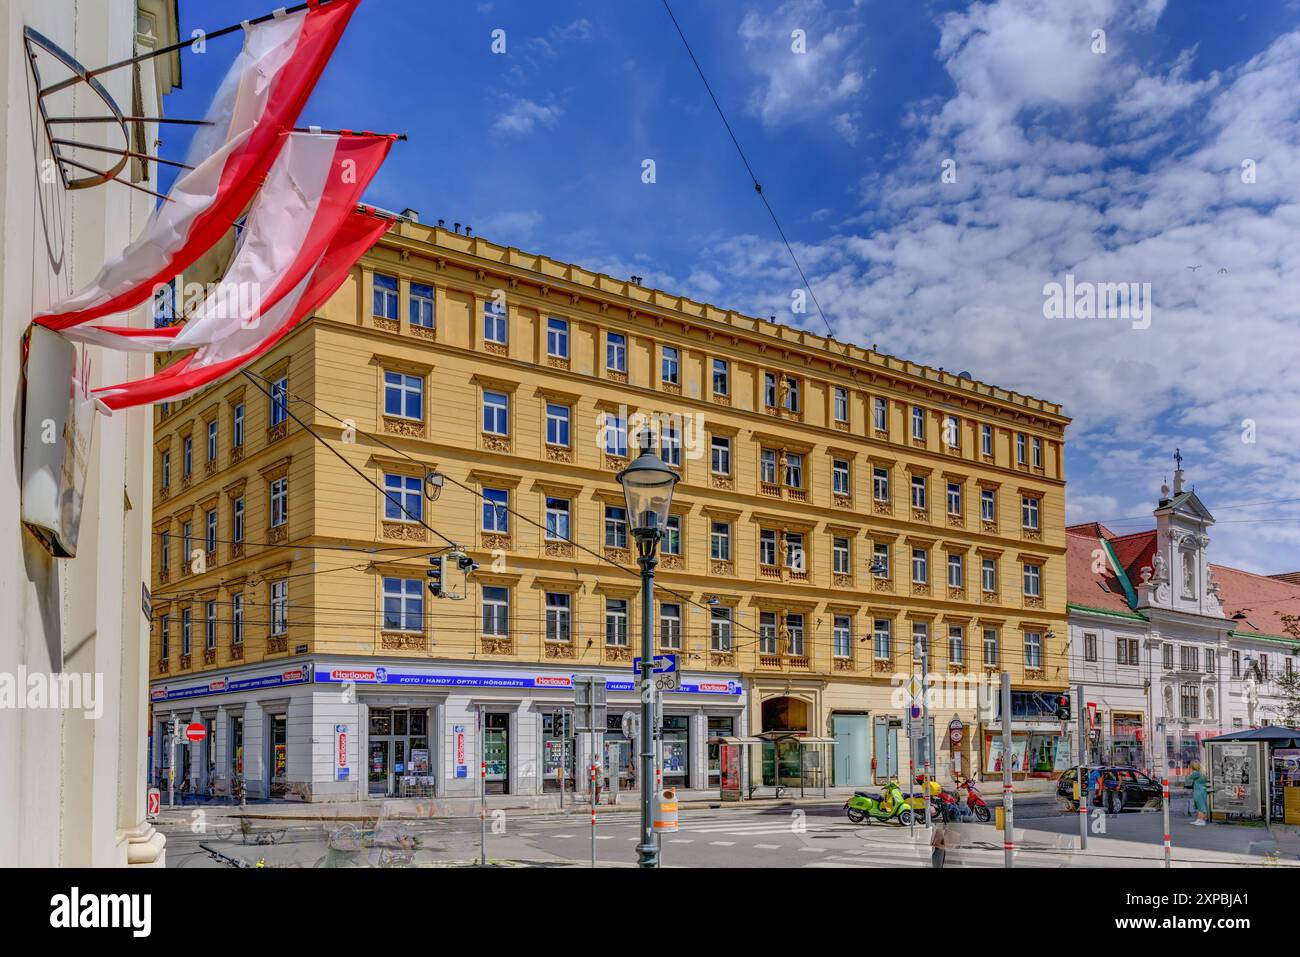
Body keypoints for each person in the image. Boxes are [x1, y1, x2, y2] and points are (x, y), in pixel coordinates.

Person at [1187, 761, 1209, 826]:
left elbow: (1188, 778)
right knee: (1199, 805)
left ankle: (1202, 820)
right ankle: (1199, 819)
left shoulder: (1196, 773)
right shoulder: (1201, 772)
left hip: (1198, 791)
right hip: (1201, 790)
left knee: (1200, 806)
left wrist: (1189, 772)